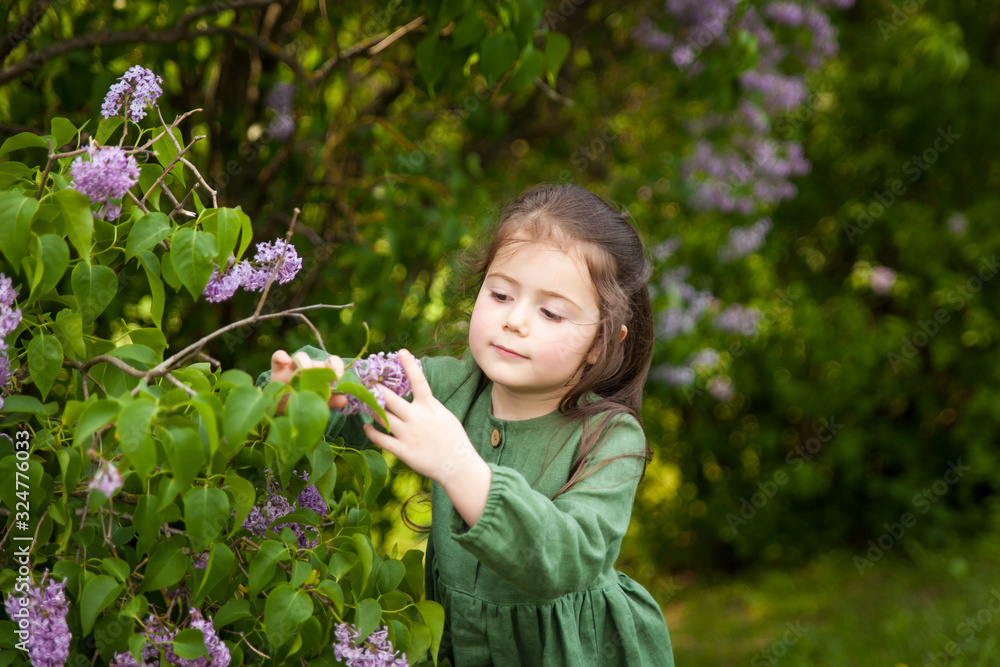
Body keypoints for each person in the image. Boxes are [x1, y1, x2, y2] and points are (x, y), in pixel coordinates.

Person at [264, 184, 675, 666]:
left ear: (601, 343)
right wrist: (310, 383)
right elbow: (353, 386)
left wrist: (459, 465)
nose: (515, 320)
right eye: (501, 294)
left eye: (551, 311)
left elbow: (569, 557)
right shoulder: (444, 388)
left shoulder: (609, 436)